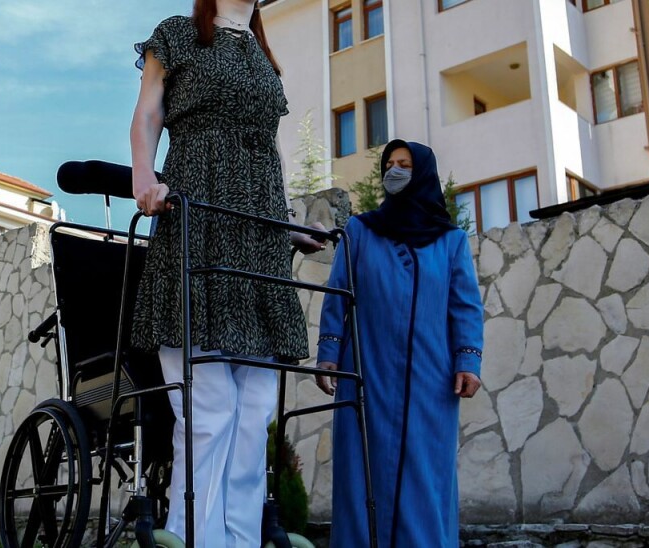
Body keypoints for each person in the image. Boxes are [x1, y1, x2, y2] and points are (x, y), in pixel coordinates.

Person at [130, 1, 324, 545]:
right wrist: (144, 177)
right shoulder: (177, 34)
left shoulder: (263, 57)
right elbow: (147, 114)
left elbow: (273, 150)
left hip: (257, 238)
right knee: (210, 408)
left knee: (255, 411)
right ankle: (192, 537)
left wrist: (286, 224)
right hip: (197, 214)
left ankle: (240, 540)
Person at [315, 140, 484, 547]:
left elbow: (465, 306)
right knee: (362, 474)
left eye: (405, 165)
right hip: (366, 374)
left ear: (423, 173)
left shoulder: (451, 241)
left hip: (431, 380)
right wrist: (328, 355)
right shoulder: (360, 230)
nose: (395, 171)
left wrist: (468, 359)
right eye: (389, 164)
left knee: (426, 475)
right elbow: (339, 292)